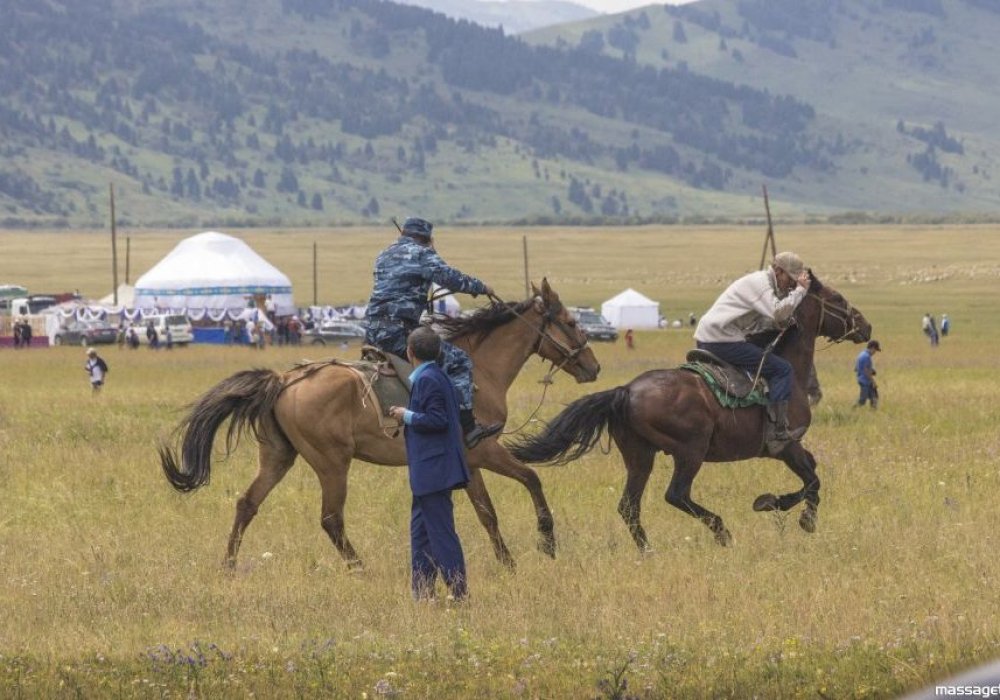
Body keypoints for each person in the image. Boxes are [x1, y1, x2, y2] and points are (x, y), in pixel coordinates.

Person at [365, 216, 501, 449]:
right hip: (400, 331)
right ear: (427, 238)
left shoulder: (383, 255)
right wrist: (481, 287)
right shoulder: (422, 253)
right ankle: (468, 428)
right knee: (459, 361)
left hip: (372, 330)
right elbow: (449, 277)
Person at [693, 251, 810, 455]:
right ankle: (778, 433)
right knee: (782, 369)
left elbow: (763, 320)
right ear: (778, 271)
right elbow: (777, 312)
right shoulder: (761, 284)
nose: (790, 285)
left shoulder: (765, 285)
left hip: (714, 335)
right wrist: (800, 291)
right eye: (790, 280)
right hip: (721, 339)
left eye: (794, 283)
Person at [388, 327, 470, 602]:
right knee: (421, 533)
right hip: (428, 473)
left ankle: (459, 592)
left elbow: (438, 420)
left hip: (434, 471)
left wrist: (406, 415)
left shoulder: (428, 381)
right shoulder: (434, 376)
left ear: (410, 353)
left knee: (441, 532)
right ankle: (422, 591)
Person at [854, 339, 880, 409]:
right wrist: (873, 382)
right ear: (872, 348)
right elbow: (866, 371)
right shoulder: (866, 357)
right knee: (862, 400)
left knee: (874, 397)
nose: (875, 352)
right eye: (875, 350)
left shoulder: (861, 354)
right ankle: (853, 410)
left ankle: (873, 413)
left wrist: (871, 370)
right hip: (865, 381)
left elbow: (856, 368)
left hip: (863, 380)